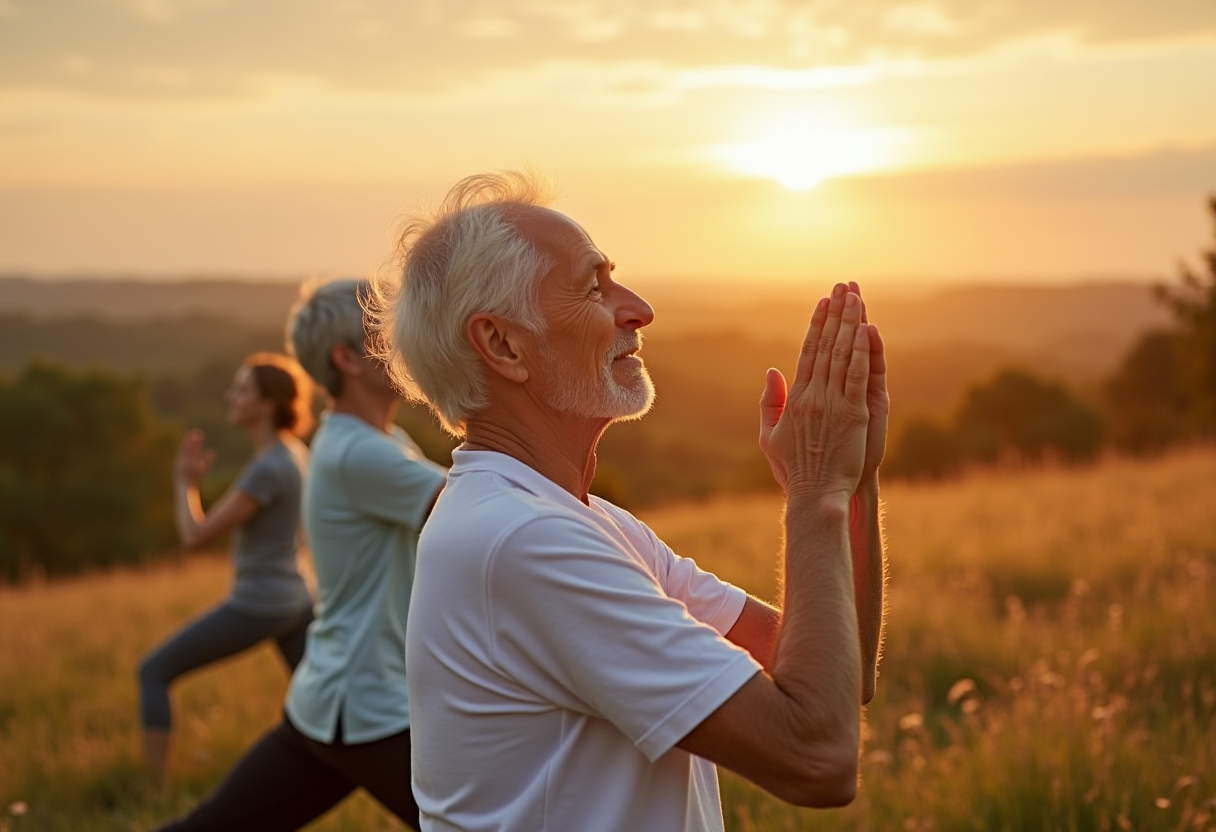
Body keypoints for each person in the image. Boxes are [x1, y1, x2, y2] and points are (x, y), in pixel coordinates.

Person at [370, 170, 889, 832]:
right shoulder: (522, 542)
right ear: (501, 344)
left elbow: (836, 677)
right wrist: (816, 491)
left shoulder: (580, 521)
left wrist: (852, 480)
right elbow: (816, 755)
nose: (639, 307)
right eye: (593, 287)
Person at [152, 278, 446, 831]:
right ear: (347, 358)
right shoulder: (358, 453)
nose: (412, 339)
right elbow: (482, 508)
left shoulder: (377, 443)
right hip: (369, 708)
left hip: (332, 699)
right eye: (391, 330)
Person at [138, 352, 315, 782]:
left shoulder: (267, 469)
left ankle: (153, 791)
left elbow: (196, 536)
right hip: (296, 598)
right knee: (321, 703)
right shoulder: (293, 453)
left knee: (153, 672)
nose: (229, 396)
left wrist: (185, 483)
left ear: (267, 404)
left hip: (262, 602)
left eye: (241, 390)